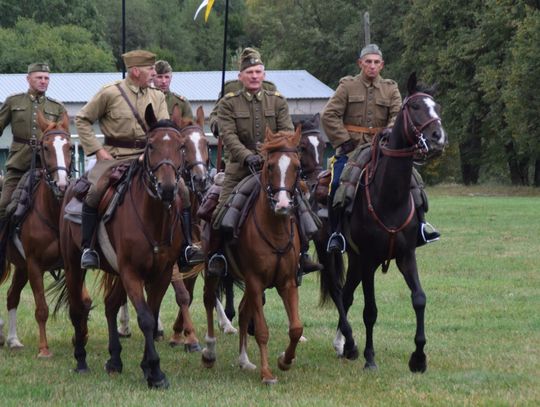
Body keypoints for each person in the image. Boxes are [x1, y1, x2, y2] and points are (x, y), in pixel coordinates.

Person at [75, 50, 201, 269]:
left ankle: (187, 247)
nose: (154, 73)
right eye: (150, 69)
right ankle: (89, 248)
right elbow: (82, 119)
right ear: (135, 71)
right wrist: (97, 150)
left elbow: (163, 129)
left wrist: (155, 154)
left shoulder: (157, 96)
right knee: (95, 191)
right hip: (114, 157)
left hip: (148, 158)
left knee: (182, 191)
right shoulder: (110, 93)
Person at [206, 47, 321, 277]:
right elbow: (228, 136)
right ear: (241, 76)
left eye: (258, 71)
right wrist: (247, 156)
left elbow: (287, 131)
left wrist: (273, 155)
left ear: (264, 74)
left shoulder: (277, 101)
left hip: (275, 166)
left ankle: (302, 254)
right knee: (221, 210)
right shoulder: (229, 103)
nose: (254, 76)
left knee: (302, 203)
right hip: (240, 167)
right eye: (249, 72)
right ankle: (217, 255)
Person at [322, 43, 440, 253]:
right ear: (360, 63)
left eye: (376, 62)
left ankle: (421, 227)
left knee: (414, 182)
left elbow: (397, 114)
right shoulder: (347, 86)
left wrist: (389, 131)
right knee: (338, 182)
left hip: (384, 149)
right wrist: (343, 140)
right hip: (352, 149)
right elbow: (329, 115)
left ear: (382, 65)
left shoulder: (390, 87)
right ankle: (337, 233)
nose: (372, 66)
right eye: (368, 62)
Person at [0, 62, 66, 273]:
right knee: (3, 207)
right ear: (28, 79)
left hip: (48, 169)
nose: (43, 81)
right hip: (19, 165)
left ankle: (76, 250)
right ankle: (3, 251)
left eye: (46, 78)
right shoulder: (13, 102)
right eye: (39, 77)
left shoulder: (57, 107)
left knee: (72, 206)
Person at [152, 59, 203, 267]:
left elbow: (190, 134)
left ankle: (188, 243)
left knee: (186, 192)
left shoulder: (181, 103)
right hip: (150, 157)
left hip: (175, 161)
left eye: (166, 77)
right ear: (152, 77)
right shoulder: (145, 98)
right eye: (159, 77)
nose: (163, 81)